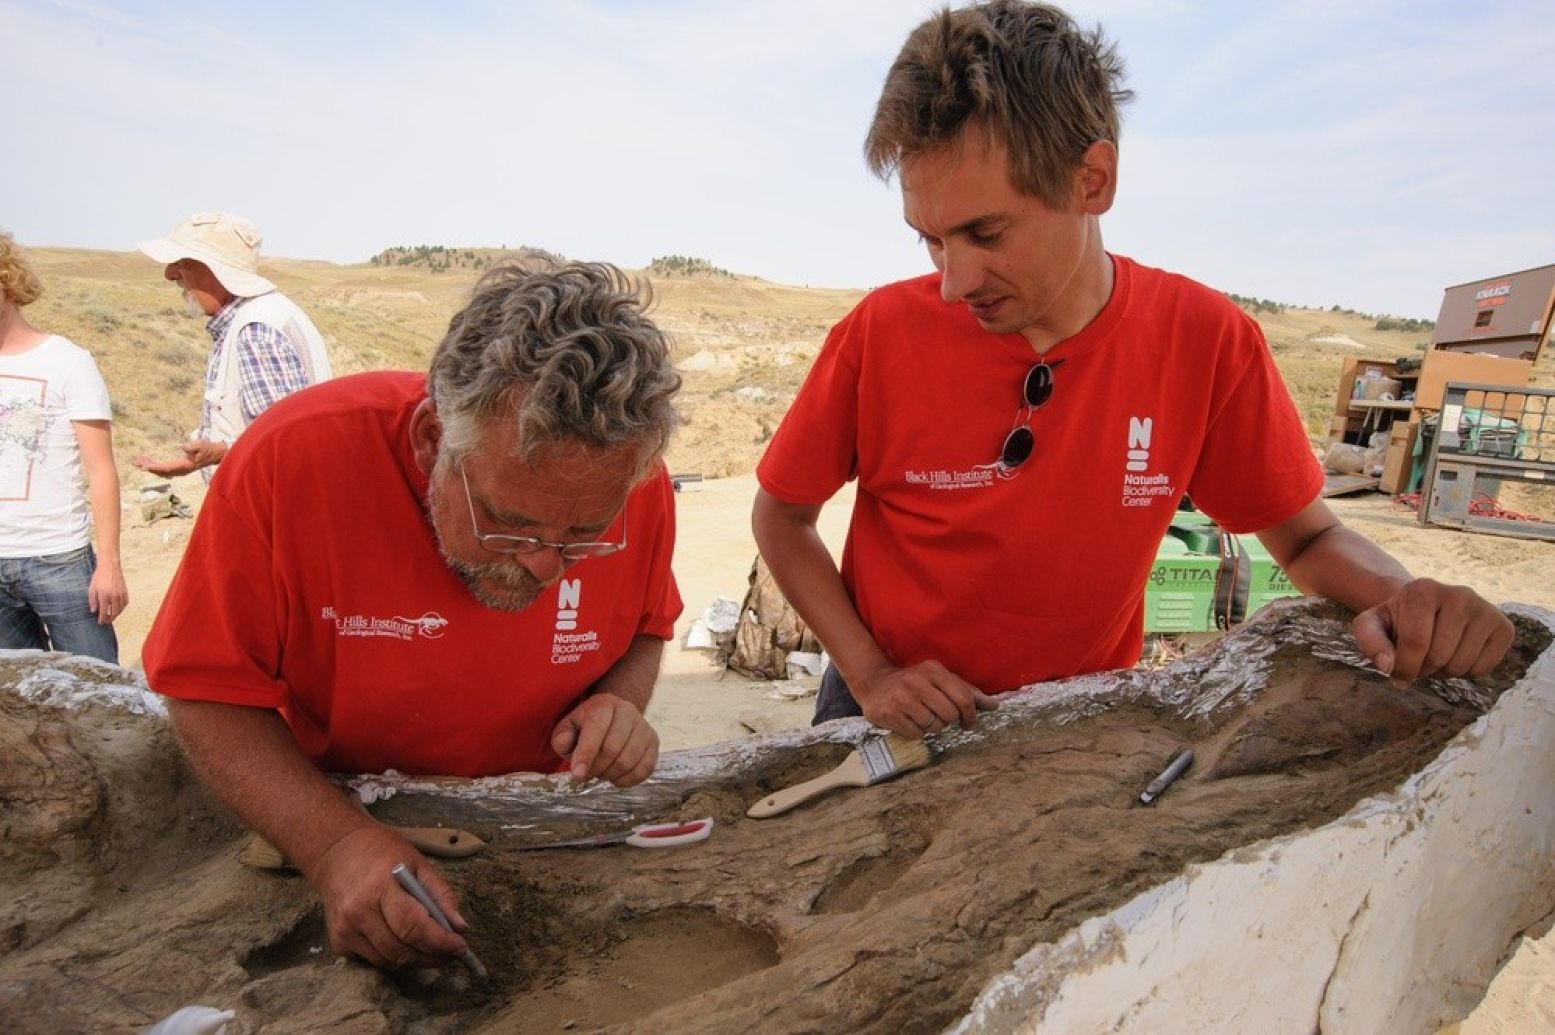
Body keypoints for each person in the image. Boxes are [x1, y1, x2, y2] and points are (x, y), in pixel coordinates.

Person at [752, 0, 1514, 741]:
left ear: (1092, 180)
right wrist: (873, 672)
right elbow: (781, 516)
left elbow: (1306, 539)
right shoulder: (878, 334)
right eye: (929, 240)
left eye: (984, 231)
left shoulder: (1206, 340)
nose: (954, 280)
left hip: (1080, 721)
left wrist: (1408, 597)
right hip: (883, 704)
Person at [142, 261, 683, 970]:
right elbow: (203, 688)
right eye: (509, 524)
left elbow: (646, 623)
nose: (547, 565)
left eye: (584, 535)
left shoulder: (630, 483)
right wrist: (333, 845)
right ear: (433, 439)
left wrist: (621, 700)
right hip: (339, 812)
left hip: (541, 826)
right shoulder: (291, 460)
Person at [0, 231, 127, 663]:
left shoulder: (68, 361)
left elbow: (101, 470)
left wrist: (108, 562)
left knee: (102, 698)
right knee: (20, 707)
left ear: (6, 281)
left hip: (61, 560)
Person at [134, 211, 333, 480]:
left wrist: (219, 453)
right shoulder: (263, 314)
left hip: (266, 512)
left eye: (181, 262)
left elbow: (287, 445)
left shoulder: (255, 332)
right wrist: (195, 462)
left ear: (217, 270)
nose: (170, 274)